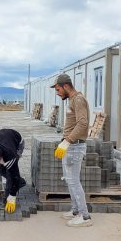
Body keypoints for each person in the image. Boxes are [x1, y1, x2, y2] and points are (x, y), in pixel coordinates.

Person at [51, 74, 93, 227]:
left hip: (74, 146)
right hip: (71, 146)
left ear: (66, 86)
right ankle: (76, 210)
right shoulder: (72, 100)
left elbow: (83, 123)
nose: (57, 93)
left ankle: (85, 216)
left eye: (58, 89)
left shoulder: (78, 100)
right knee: (70, 180)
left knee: (74, 181)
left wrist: (67, 141)